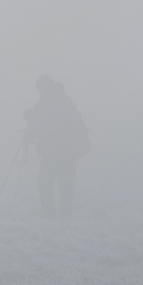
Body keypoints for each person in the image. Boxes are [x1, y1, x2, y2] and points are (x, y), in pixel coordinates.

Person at [21, 74, 90, 218]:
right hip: (71, 150)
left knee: (44, 185)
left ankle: (50, 216)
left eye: (39, 89)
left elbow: (41, 126)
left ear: (43, 88)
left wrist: (30, 130)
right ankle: (65, 218)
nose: (39, 92)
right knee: (66, 185)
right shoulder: (65, 101)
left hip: (52, 151)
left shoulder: (43, 104)